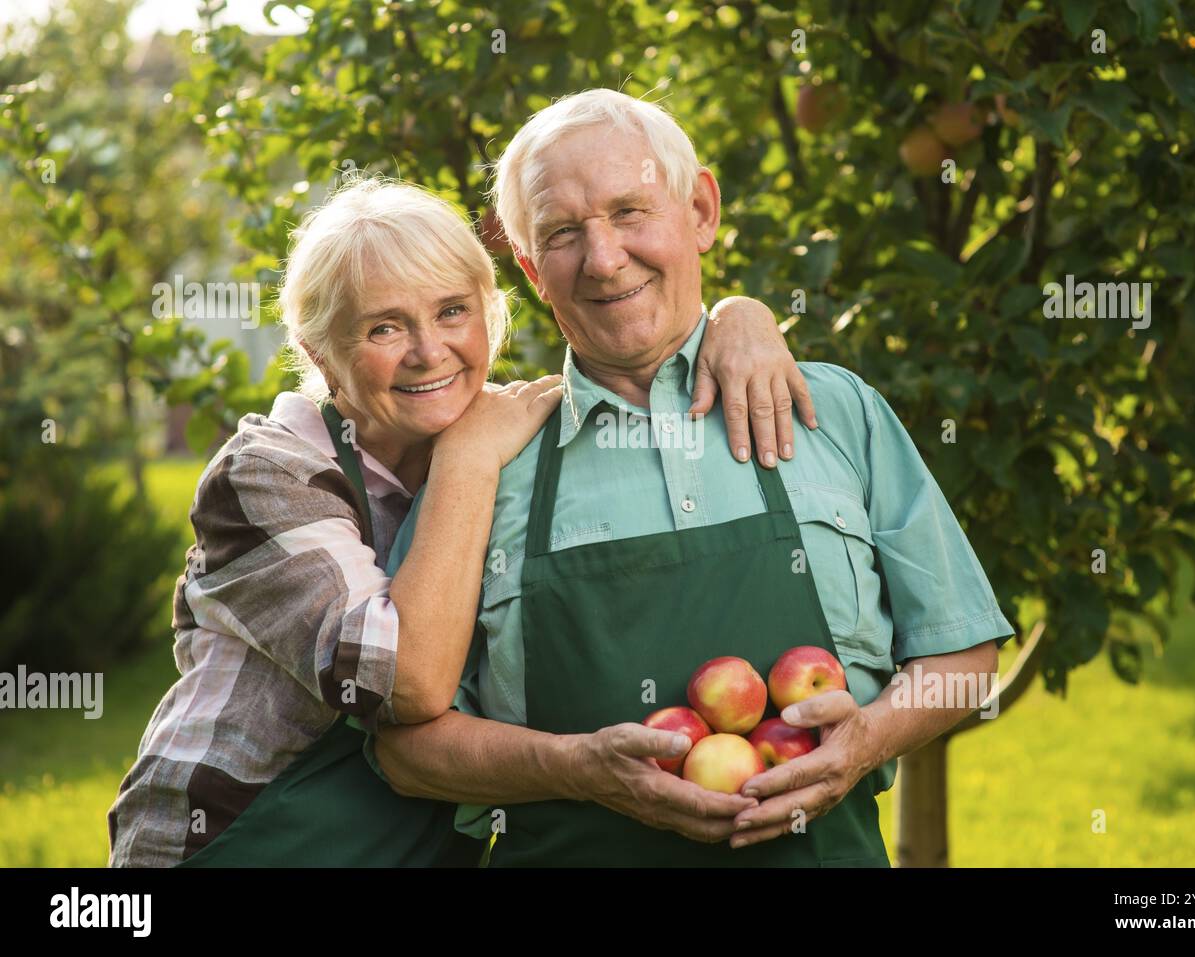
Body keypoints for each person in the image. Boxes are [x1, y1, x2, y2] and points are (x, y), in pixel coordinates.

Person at [375, 89, 1015, 867]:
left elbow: (966, 658)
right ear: (532, 268)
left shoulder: (834, 413)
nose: (605, 258)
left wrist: (866, 741)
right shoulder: (482, 464)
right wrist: (572, 768)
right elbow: (405, 749)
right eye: (563, 234)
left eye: (630, 211)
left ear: (702, 210)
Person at [106, 175, 812, 866]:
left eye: (452, 311)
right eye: (384, 326)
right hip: (237, 841)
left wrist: (737, 316)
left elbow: (637, 362)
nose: (428, 351)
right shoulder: (268, 474)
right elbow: (403, 685)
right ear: (321, 352)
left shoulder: (508, 430)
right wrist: (469, 463)